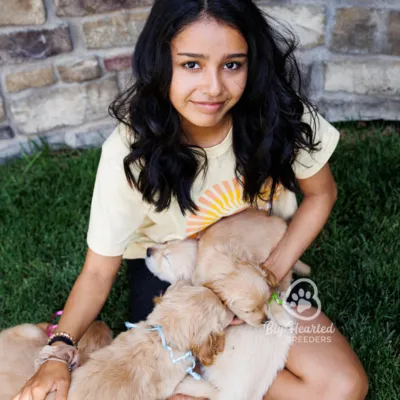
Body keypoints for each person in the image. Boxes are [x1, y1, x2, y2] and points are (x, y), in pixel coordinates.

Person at [14, 1, 369, 399]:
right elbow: (98, 273)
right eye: (192, 65)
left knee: (343, 387)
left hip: (247, 262)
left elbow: (322, 194)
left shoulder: (281, 113)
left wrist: (268, 274)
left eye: (232, 64)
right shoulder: (130, 151)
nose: (214, 87)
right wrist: (58, 352)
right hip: (170, 276)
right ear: (161, 63)